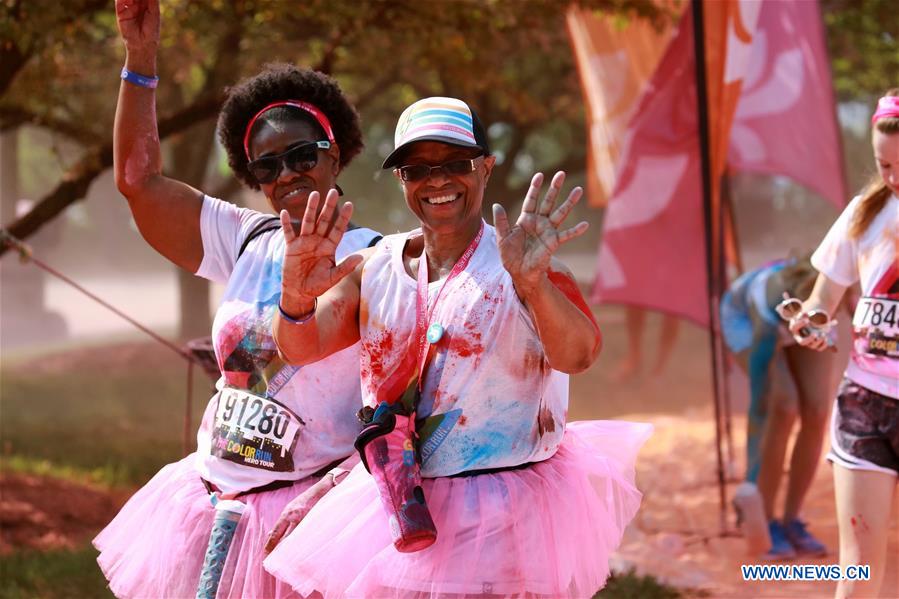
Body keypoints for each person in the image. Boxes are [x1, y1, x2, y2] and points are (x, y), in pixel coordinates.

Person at [262, 96, 652, 597]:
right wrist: (294, 299)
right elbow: (301, 346)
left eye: (455, 164)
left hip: (502, 511)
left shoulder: (524, 265)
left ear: (486, 168)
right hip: (396, 506)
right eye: (418, 168)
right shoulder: (373, 267)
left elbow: (578, 356)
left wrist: (532, 283)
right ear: (402, 180)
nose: (438, 181)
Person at [93, 1, 380, 597]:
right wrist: (141, 59)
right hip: (212, 504)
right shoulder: (246, 238)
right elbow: (137, 180)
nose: (288, 174)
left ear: (336, 151)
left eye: (303, 155)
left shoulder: (378, 257)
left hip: (307, 517)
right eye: (268, 166)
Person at [789, 90, 898, 598]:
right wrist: (811, 323)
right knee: (857, 567)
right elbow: (823, 299)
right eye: (884, 165)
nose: (893, 178)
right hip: (864, 406)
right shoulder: (863, 213)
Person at [722, 256, 838, 559]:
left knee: (816, 411)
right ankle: (767, 516)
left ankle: (791, 521)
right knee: (783, 407)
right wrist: (749, 486)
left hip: (802, 314)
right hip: (747, 320)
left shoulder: (835, 289)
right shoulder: (767, 308)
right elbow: (759, 409)